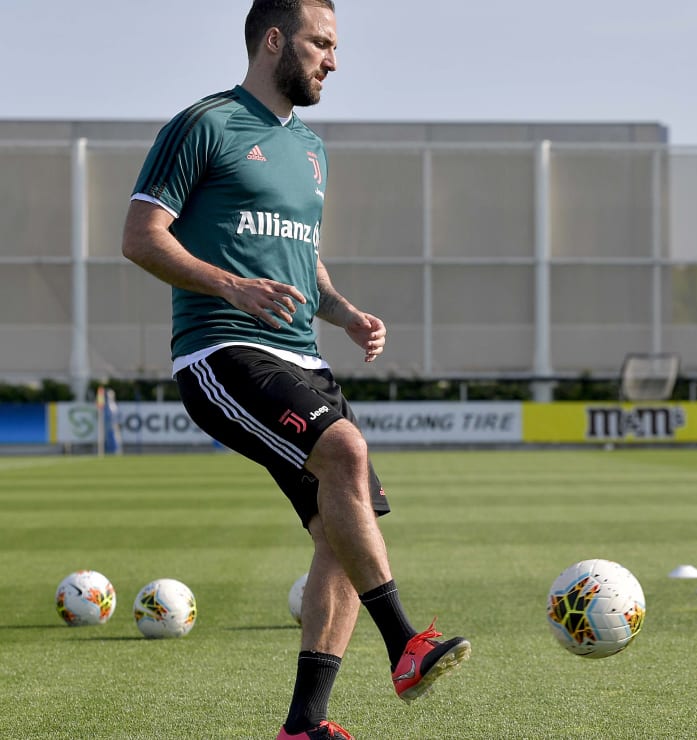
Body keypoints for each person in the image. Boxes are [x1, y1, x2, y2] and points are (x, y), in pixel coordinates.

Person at [120, 2, 470, 738]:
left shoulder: (311, 149)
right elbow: (140, 237)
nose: (333, 60)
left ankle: (303, 726)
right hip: (223, 350)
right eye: (322, 43)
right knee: (345, 451)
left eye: (335, 46)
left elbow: (300, 253)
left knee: (342, 531)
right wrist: (229, 284)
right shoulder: (205, 124)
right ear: (274, 40)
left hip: (303, 358)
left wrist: (341, 311)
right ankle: (405, 642)